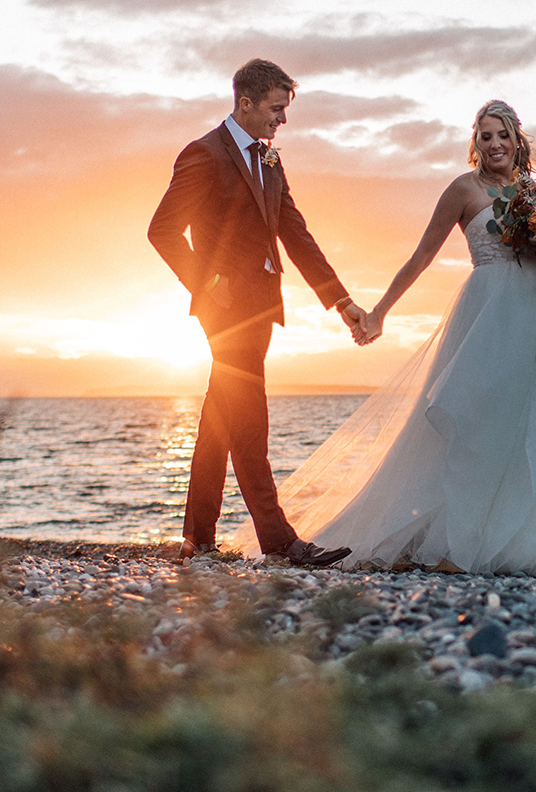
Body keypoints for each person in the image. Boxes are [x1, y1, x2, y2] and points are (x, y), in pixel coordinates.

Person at [230, 100, 536, 574]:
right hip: (486, 318)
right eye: (486, 136)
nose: (494, 144)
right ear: (476, 142)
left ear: (518, 140)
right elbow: (421, 256)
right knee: (476, 427)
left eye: (502, 136)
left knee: (529, 426)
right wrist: (379, 312)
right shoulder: (462, 190)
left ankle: (518, 544)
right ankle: (459, 544)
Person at [148, 59, 362, 567]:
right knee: (250, 421)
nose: (281, 120)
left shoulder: (269, 161)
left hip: (263, 308)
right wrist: (212, 287)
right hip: (225, 311)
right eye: (275, 110)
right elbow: (163, 230)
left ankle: (198, 538)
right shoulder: (203, 155)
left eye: (284, 111)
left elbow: (296, 233)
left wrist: (341, 300)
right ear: (245, 103)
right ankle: (281, 542)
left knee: (221, 419)